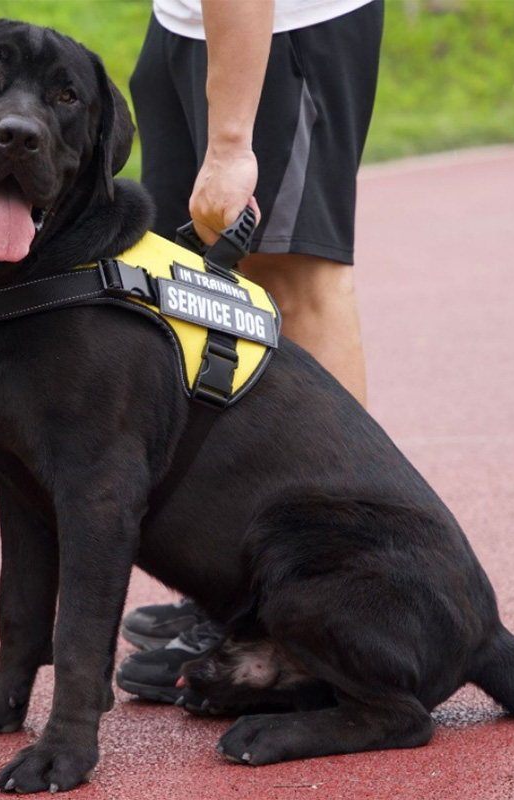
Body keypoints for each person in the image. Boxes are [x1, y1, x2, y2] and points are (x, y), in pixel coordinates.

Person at [116, 0, 384, 705]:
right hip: (189, 24)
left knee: (299, 277)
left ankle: (337, 595)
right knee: (197, 278)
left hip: (287, 28)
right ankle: (243, 588)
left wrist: (233, 141)